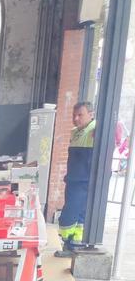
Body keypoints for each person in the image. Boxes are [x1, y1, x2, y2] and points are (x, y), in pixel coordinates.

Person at [55, 101, 95, 257]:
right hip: (73, 179)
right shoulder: (75, 132)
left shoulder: (94, 130)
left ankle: (72, 244)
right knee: (77, 216)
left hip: (83, 181)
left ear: (91, 115)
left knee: (70, 215)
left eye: (80, 115)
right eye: (74, 115)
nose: (76, 118)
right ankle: (73, 247)